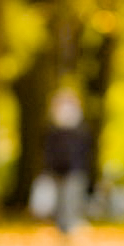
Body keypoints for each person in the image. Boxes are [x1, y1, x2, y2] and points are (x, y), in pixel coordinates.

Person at [43, 88, 92, 234]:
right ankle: (62, 227)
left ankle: (70, 225)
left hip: (75, 169)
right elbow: (48, 149)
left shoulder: (80, 128)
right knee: (60, 200)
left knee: (71, 197)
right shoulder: (53, 128)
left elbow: (85, 150)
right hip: (57, 168)